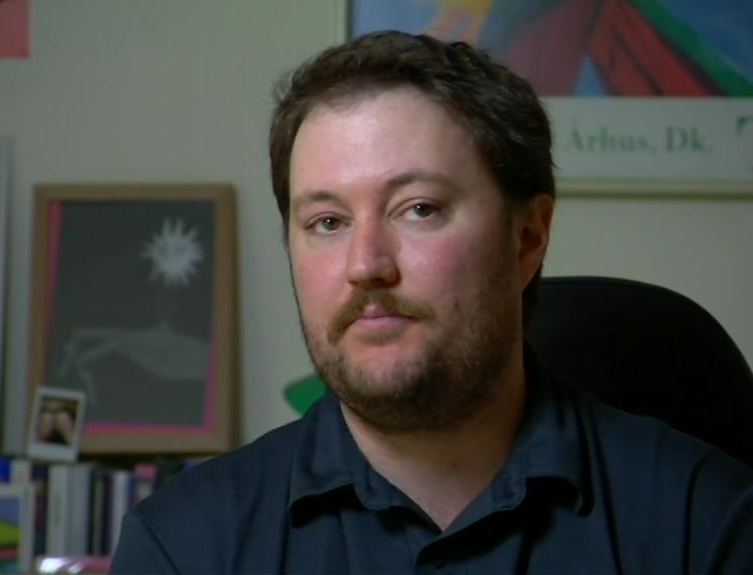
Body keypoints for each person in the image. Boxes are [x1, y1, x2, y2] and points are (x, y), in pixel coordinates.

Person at [110, 30, 753, 573]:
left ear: (527, 238)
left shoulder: (707, 521)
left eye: (418, 209)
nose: (366, 266)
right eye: (327, 222)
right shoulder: (184, 547)